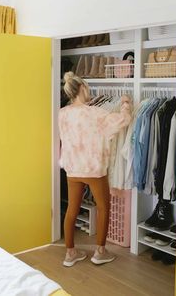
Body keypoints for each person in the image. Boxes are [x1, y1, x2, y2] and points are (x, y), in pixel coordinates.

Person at [58, 71, 132, 267]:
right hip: (94, 169)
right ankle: (100, 252)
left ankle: (70, 254)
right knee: (103, 207)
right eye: (87, 88)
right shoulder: (96, 113)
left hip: (72, 169)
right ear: (82, 88)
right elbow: (123, 121)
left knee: (71, 210)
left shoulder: (62, 113)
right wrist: (125, 103)